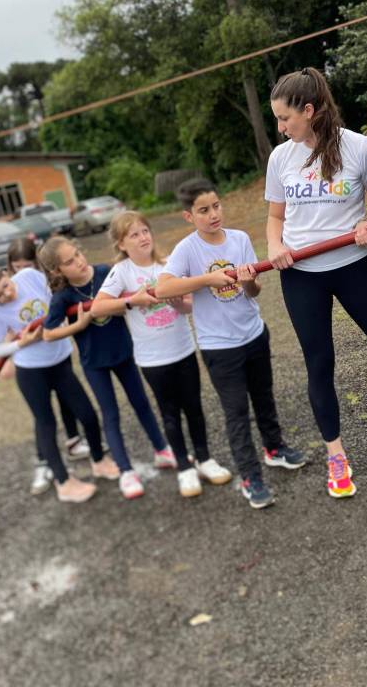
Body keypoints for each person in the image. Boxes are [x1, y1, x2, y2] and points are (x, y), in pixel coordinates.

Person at [263, 67, 367, 499]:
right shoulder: (281, 158)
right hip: (301, 275)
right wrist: (275, 244)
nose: (281, 128)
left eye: (284, 119)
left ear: (308, 110)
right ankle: (335, 454)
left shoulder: (359, 147)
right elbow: (275, 216)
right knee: (319, 363)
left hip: (353, 266)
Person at [154, 179, 306, 510]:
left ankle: (275, 448)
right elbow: (162, 288)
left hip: (254, 334)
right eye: (203, 210)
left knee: (264, 399)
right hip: (219, 347)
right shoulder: (187, 249)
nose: (213, 214)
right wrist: (207, 279)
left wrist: (249, 282)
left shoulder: (239, 239)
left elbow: (254, 291)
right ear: (188, 216)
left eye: (216, 206)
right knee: (236, 413)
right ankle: (251, 477)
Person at [92, 211, 233, 498]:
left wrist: (179, 303)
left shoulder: (168, 265)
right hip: (153, 359)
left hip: (183, 349)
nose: (143, 237)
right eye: (134, 235)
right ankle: (184, 467)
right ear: (121, 244)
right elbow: (97, 308)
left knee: (194, 408)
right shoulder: (121, 272)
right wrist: (132, 301)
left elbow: (189, 305)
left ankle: (204, 459)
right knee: (170, 414)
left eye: (145, 231)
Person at [40, 237, 175, 501]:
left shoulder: (105, 273)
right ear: (57, 271)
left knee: (142, 403)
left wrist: (119, 307)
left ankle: (162, 450)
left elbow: (128, 302)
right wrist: (78, 326)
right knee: (110, 414)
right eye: (69, 261)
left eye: (78, 254)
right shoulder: (63, 297)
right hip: (94, 364)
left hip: (124, 353)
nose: (79, 261)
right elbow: (48, 333)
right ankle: (126, 471)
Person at [0, 264, 111, 504]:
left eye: (5, 286)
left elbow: (56, 299)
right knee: (46, 424)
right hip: (32, 371)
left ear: (6, 274)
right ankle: (63, 482)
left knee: (87, 413)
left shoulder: (29, 277)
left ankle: (99, 461)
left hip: (60, 361)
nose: (6, 295)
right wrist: (22, 343)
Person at [6, 237, 89, 496]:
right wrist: (9, 358)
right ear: (10, 266)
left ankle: (74, 441)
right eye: (18, 267)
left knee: (68, 401)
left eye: (28, 265)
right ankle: (44, 462)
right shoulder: (7, 291)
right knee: (43, 417)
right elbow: (7, 333)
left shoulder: (47, 282)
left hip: (58, 354)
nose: (23, 272)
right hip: (32, 364)